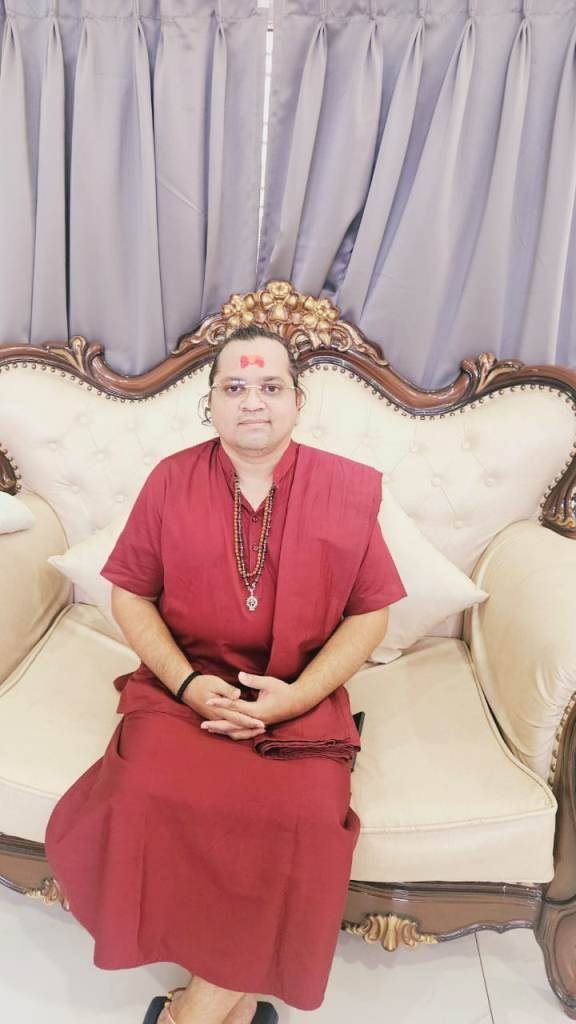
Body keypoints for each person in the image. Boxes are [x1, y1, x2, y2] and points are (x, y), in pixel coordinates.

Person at [45, 326, 406, 1024]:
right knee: (144, 790)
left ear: (298, 401)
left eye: (270, 386)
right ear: (209, 402)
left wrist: (295, 698)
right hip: (186, 689)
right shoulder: (170, 480)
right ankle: (233, 1010)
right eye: (234, 387)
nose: (253, 402)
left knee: (305, 817)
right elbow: (130, 594)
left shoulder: (346, 488)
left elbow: (371, 614)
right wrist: (184, 683)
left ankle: (193, 1013)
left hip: (300, 696)